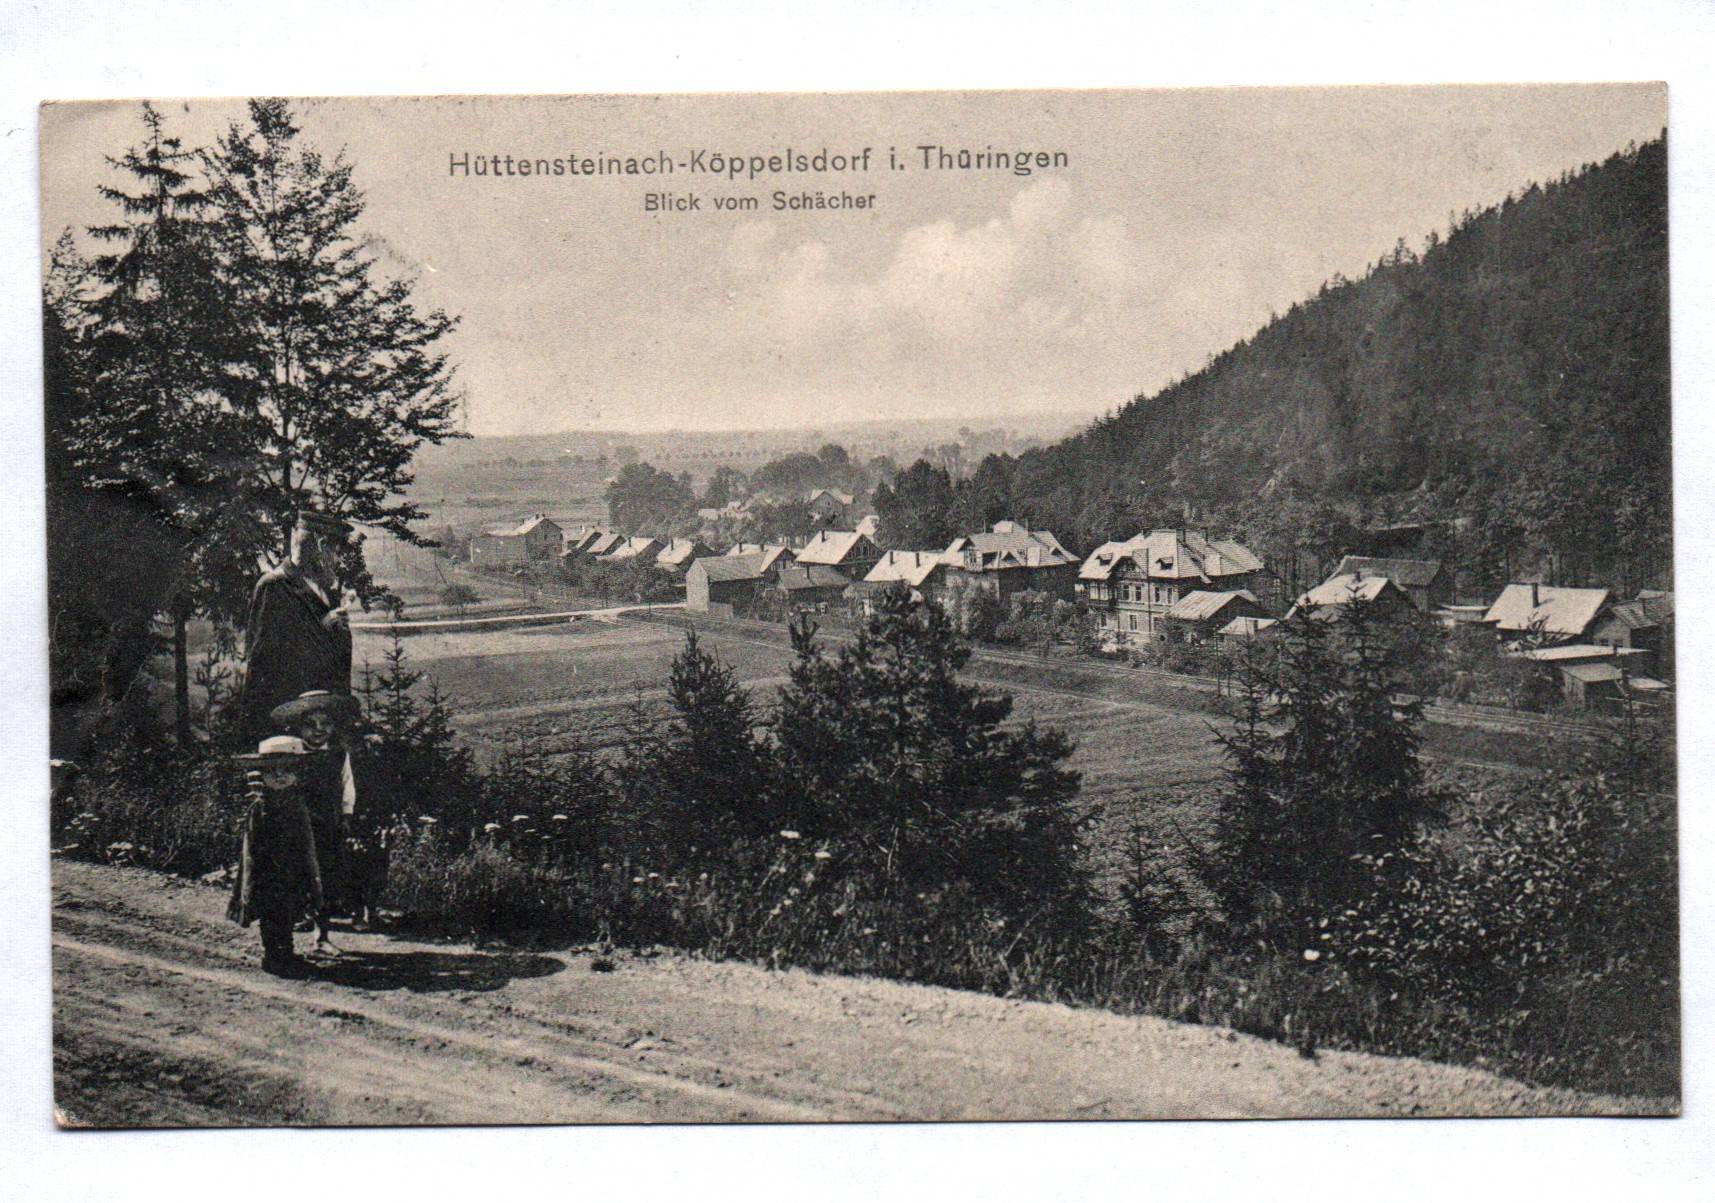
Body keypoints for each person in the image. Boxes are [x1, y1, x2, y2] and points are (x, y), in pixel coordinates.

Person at [238, 510, 354, 745]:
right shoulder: (275, 587)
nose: (339, 561)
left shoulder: (324, 592)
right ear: (321, 546)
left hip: (324, 725)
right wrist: (322, 631)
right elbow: (263, 661)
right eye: (336, 552)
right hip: (289, 722)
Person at [270, 690, 360, 955]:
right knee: (293, 875)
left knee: (326, 876)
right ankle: (283, 940)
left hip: (326, 824)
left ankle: (322, 937)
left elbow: (348, 783)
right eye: (310, 724)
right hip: (295, 825)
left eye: (326, 724)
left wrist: (346, 814)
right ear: (298, 727)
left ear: (334, 727)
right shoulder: (289, 753)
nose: (319, 730)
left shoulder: (337, 754)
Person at [226, 735, 323, 978]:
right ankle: (274, 956)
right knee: (272, 912)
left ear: (298, 773)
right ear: (261, 774)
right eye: (272, 771)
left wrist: (306, 869)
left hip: (293, 867)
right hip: (268, 871)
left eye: (287, 770)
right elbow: (252, 843)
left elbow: (305, 839)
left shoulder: (297, 802)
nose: (280, 776)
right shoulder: (260, 805)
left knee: (289, 911)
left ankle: (286, 952)